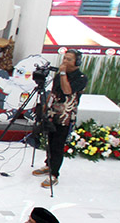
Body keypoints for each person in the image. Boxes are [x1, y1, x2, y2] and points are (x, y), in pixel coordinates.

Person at [34, 49, 87, 188]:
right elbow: (53, 92)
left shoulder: (81, 78)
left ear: (77, 62)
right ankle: (48, 165)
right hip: (53, 113)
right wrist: (45, 106)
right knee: (49, 141)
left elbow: (67, 91)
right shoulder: (59, 75)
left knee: (58, 144)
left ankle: (54, 174)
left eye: (69, 59)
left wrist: (63, 73)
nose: (65, 61)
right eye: (64, 58)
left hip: (66, 116)